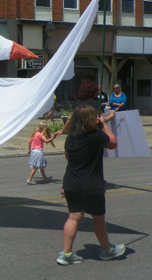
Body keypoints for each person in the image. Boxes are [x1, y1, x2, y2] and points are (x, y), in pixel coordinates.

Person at [56, 105, 125, 265]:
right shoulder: (96, 135)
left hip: (71, 182)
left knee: (74, 217)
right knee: (98, 218)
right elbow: (113, 143)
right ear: (90, 119)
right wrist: (104, 125)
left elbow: (68, 157)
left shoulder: (71, 137)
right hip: (91, 184)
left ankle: (66, 254)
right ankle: (107, 250)